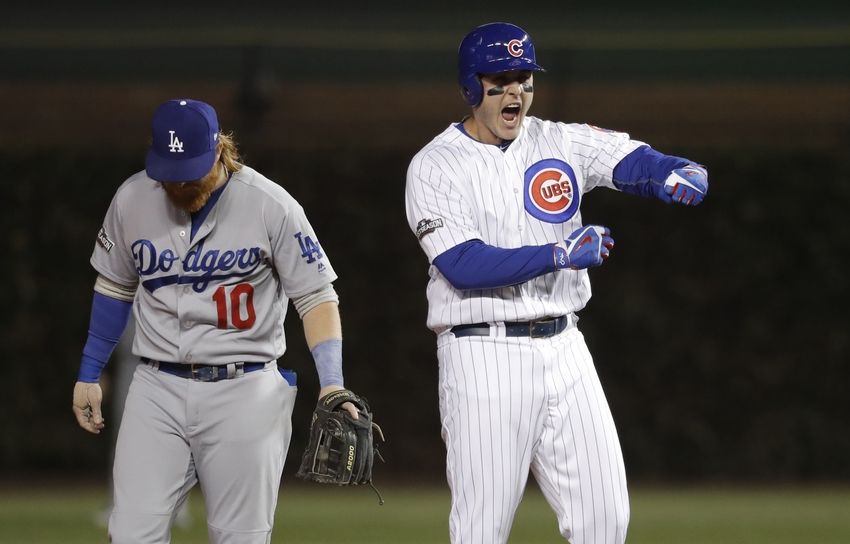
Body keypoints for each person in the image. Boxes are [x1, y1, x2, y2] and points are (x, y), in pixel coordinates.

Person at [404, 22, 708, 544]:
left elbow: (628, 158)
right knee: (481, 530)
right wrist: (558, 253)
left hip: (566, 347)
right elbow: (461, 263)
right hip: (483, 354)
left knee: (605, 519)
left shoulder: (556, 139)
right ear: (470, 86)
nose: (515, 92)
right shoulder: (435, 165)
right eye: (499, 80)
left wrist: (670, 170)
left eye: (523, 79)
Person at [72, 98, 357, 544]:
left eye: (192, 169)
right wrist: (89, 371)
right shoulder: (132, 198)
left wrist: (332, 381)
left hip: (246, 390)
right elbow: (113, 287)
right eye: (171, 171)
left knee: (240, 538)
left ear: (222, 150)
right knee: (129, 533)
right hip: (156, 387)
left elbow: (316, 295)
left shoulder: (270, 205)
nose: (181, 182)